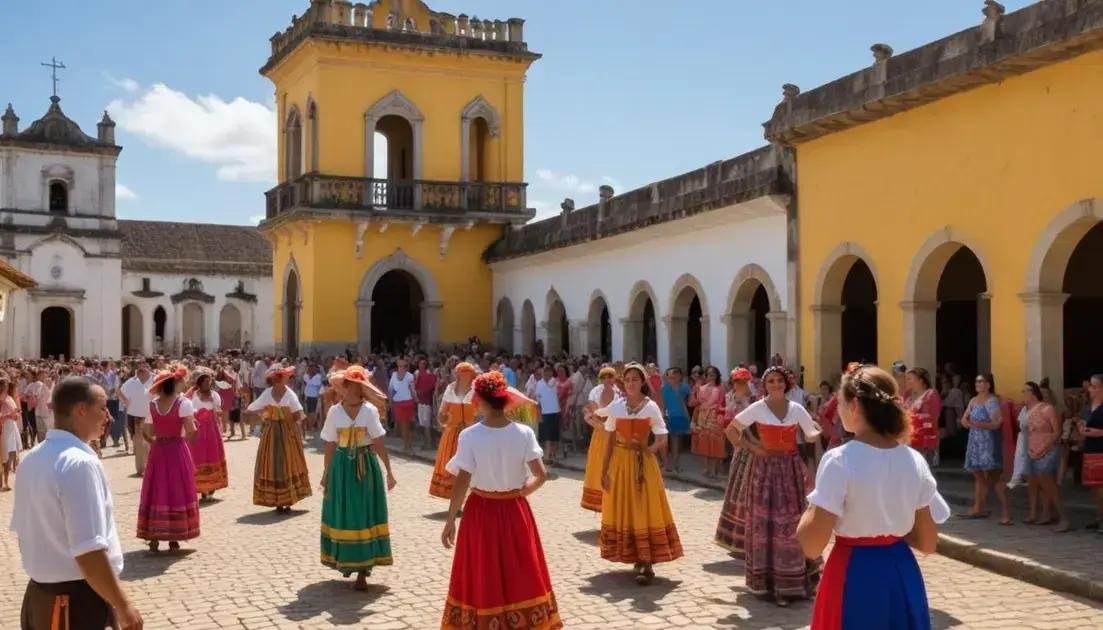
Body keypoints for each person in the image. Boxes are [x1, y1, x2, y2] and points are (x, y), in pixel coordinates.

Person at [798, 365, 950, 630]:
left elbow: (811, 545)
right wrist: (889, 527)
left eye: (841, 402)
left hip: (854, 572)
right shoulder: (913, 460)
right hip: (901, 571)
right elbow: (927, 542)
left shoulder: (840, 459)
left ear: (854, 405)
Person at [11, 377, 143, 630]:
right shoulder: (79, 463)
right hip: (74, 601)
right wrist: (123, 605)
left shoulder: (32, 458)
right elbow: (88, 550)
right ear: (80, 409)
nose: (109, 416)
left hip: (40, 597)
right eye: (102, 408)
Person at [439, 370, 560, 629]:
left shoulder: (469, 436)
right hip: (515, 509)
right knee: (520, 568)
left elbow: (461, 481)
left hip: (480, 510)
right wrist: (520, 493)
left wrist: (451, 519)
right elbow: (541, 475)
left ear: (481, 401)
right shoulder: (523, 433)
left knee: (482, 570)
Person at [731, 365, 822, 606]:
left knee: (793, 521)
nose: (775, 385)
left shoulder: (796, 408)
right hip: (765, 471)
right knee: (766, 523)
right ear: (765, 384)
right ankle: (770, 582)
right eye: (770, 381)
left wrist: (817, 429)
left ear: (786, 383)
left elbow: (811, 434)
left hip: (790, 470)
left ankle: (792, 580)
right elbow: (732, 429)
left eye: (779, 381)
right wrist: (754, 448)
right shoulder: (758, 407)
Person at [597, 362, 683, 585]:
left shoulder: (650, 407)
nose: (631, 383)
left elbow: (662, 437)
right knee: (627, 507)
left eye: (635, 379)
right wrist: (604, 470)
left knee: (644, 507)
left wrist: (648, 449)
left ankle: (647, 561)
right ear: (623, 383)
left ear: (643, 382)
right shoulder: (617, 407)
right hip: (621, 462)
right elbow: (609, 441)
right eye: (627, 380)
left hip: (644, 464)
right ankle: (634, 553)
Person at [320, 364, 396, 590]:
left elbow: (379, 442)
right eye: (347, 385)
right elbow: (330, 444)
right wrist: (326, 473)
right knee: (344, 513)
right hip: (341, 467)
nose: (348, 388)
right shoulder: (335, 411)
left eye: (353, 385)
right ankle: (346, 560)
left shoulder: (369, 411)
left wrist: (389, 471)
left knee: (363, 513)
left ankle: (363, 570)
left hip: (365, 465)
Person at [137, 366, 200, 552]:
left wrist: (156, 441)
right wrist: (183, 438)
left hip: (158, 451)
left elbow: (145, 431)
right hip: (176, 449)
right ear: (174, 384)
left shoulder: (153, 405)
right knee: (177, 488)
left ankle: (154, 536)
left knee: (157, 487)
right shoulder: (183, 403)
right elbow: (191, 431)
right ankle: (174, 537)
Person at [247, 363, 311, 512]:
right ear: (277, 379)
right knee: (273, 463)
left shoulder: (290, 394)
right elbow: (251, 408)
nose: (287, 379)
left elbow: (300, 413)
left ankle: (287, 498)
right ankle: (277, 500)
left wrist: (293, 421)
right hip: (271, 433)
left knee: (287, 463)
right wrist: (265, 413)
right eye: (284, 377)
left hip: (288, 433)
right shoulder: (267, 393)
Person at [1018, 382, 1069, 532]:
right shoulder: (1028, 410)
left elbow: (1056, 431)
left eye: (1025, 391)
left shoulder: (1047, 409)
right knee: (1039, 485)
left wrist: (1044, 447)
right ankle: (1047, 514)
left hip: (1047, 451)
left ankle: (1064, 518)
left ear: (1032, 392)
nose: (1023, 394)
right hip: (1032, 450)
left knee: (1050, 486)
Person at [960, 373, 1010, 524]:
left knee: (995, 478)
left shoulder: (992, 401)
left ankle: (1006, 513)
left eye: (981, 381)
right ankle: (978, 507)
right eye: (976, 381)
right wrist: (966, 422)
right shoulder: (973, 400)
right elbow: (964, 418)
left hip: (988, 443)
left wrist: (979, 425)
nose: (977, 383)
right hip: (975, 442)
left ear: (988, 384)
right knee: (978, 476)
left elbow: (996, 423)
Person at [715, 367, 756, 552]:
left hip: (753, 447)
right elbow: (726, 422)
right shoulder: (729, 399)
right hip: (740, 448)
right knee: (737, 492)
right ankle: (735, 537)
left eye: (742, 382)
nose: (739, 385)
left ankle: (750, 537)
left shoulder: (755, 400)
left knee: (749, 493)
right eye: (736, 382)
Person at [430, 363, 478, 500]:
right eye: (460, 372)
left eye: (465, 373)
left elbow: (480, 411)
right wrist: (445, 419)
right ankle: (455, 499)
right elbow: (442, 412)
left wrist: (471, 423)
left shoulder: (476, 390)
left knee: (469, 466)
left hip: (471, 433)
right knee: (453, 466)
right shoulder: (450, 389)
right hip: (452, 433)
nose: (462, 375)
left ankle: (467, 498)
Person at [581, 366, 620, 512]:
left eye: (610, 377)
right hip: (600, 431)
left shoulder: (619, 393)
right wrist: (597, 421)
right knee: (599, 464)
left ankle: (614, 503)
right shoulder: (595, 391)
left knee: (614, 465)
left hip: (616, 432)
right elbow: (593, 410)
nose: (607, 380)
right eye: (604, 377)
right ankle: (601, 504)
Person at [188, 371, 229, 501]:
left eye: (209, 381)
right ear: (200, 383)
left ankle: (212, 487)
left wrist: (214, 405)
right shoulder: (193, 395)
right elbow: (189, 412)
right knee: (199, 457)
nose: (208, 383)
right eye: (206, 381)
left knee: (213, 455)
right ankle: (201, 488)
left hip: (211, 430)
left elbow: (219, 412)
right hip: (198, 430)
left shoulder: (215, 395)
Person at [690, 366, 727, 479]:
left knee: (716, 445)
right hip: (702, 418)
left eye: (713, 374)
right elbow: (694, 404)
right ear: (705, 376)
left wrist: (721, 415)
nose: (711, 376)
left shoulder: (721, 388)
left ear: (717, 375)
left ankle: (714, 470)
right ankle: (706, 468)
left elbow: (724, 404)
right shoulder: (700, 388)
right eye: (709, 374)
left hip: (716, 419)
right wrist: (694, 420)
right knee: (704, 445)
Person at [1077, 374, 1103, 533]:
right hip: (1090, 449)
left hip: (1101, 449)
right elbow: (1085, 424)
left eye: (1093, 386)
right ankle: (1099, 516)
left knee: (1102, 487)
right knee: (1094, 487)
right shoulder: (1088, 407)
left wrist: (1098, 432)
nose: (1089, 389)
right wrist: (1082, 428)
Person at [119, 362, 155, 475]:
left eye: (145, 365)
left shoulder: (156, 379)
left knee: (151, 443)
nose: (142, 367)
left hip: (153, 417)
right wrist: (125, 403)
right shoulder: (130, 382)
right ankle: (140, 469)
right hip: (137, 417)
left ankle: (151, 467)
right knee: (139, 443)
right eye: (140, 366)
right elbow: (121, 395)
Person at [905, 367, 942, 467]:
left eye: (909, 378)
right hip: (909, 441)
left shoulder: (930, 395)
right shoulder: (909, 398)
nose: (906, 381)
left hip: (924, 442)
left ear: (920, 380)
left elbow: (931, 418)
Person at [660, 368, 691, 473]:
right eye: (670, 377)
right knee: (671, 441)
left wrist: (688, 419)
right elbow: (663, 403)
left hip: (681, 416)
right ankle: (671, 464)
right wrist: (662, 415)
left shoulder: (685, 388)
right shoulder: (664, 388)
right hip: (670, 417)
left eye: (675, 376)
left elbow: (687, 403)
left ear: (679, 376)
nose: (672, 379)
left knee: (678, 441)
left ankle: (675, 464)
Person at [534, 366, 562, 464]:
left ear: (551, 372)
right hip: (545, 413)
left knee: (555, 436)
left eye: (549, 371)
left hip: (555, 412)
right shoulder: (539, 384)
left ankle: (553, 455)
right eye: (545, 372)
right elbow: (537, 402)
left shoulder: (555, 382)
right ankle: (547, 456)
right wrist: (539, 415)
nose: (547, 374)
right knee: (546, 436)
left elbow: (560, 394)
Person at [389, 358, 417, 454]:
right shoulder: (393, 375)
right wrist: (389, 401)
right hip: (398, 403)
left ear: (406, 367)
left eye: (404, 366)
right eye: (400, 366)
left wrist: (416, 399)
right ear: (397, 366)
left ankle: (408, 445)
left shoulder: (410, 376)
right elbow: (391, 389)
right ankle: (406, 445)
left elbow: (412, 389)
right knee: (403, 425)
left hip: (408, 402)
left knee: (408, 425)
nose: (402, 368)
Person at [414, 358, 438, 450]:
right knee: (422, 423)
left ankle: (429, 443)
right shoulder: (417, 374)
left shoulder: (429, 375)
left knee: (427, 423)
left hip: (427, 402)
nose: (422, 365)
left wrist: (422, 392)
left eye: (423, 363)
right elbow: (415, 386)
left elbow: (431, 386)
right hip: (420, 402)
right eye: (420, 363)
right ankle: (425, 442)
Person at [303, 364, 324, 438]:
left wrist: (309, 380)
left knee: (313, 412)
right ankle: (309, 425)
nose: (313, 370)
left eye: (314, 369)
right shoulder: (306, 375)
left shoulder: (318, 376)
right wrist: (309, 379)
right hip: (307, 396)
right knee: (307, 412)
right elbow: (306, 380)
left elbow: (315, 383)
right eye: (311, 368)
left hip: (314, 396)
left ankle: (311, 426)